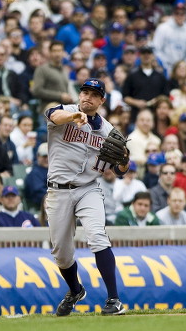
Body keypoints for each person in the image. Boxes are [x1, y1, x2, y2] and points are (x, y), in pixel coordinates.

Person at [45, 78, 127, 316]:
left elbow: (120, 171)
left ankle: (114, 299)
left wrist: (124, 161)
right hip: (57, 190)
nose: (87, 97)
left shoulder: (108, 130)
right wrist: (73, 118)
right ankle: (75, 290)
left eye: (94, 94)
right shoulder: (66, 112)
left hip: (88, 188)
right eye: (85, 92)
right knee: (61, 253)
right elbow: (53, 116)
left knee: (97, 236)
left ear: (102, 100)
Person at [24, 142, 49, 209]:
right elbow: (39, 194)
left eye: (49, 156)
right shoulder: (35, 173)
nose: (47, 159)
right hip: (40, 208)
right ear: (38, 156)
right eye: (44, 156)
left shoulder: (54, 170)